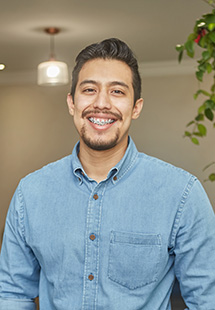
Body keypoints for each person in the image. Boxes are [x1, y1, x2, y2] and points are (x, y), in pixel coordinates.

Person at [0, 38, 215, 310]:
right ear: (72, 103)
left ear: (136, 107)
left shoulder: (182, 194)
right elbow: (12, 295)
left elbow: (207, 301)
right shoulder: (30, 194)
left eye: (117, 92)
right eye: (89, 89)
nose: (101, 103)